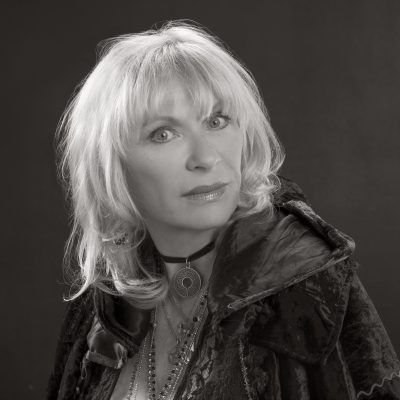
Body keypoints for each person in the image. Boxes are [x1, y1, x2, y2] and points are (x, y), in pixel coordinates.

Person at [47, 21, 400, 400]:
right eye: (163, 134)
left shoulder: (308, 289)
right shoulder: (104, 305)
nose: (205, 157)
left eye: (217, 121)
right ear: (111, 166)